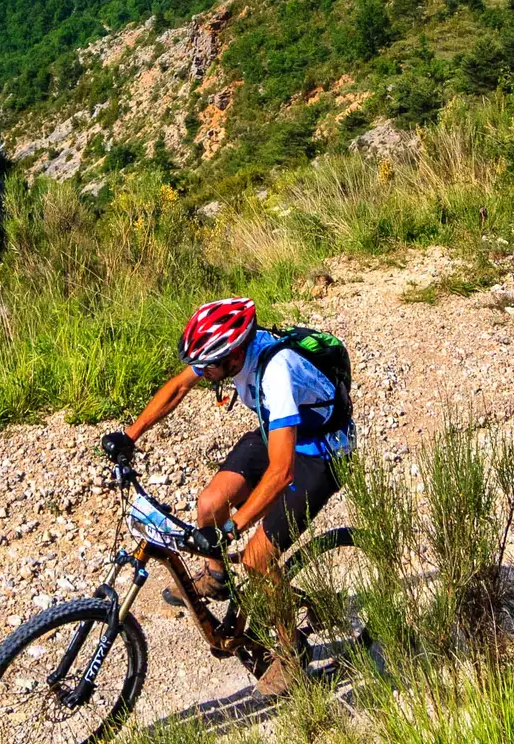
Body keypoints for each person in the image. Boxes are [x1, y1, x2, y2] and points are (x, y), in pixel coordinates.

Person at [102, 297, 353, 696]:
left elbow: (282, 472)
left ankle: (292, 654)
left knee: (257, 558)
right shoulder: (228, 356)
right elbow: (178, 387)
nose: (200, 373)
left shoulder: (277, 374)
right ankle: (217, 578)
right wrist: (130, 436)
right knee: (209, 504)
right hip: (279, 434)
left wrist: (235, 528)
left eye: (208, 367)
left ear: (234, 356)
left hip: (319, 453)